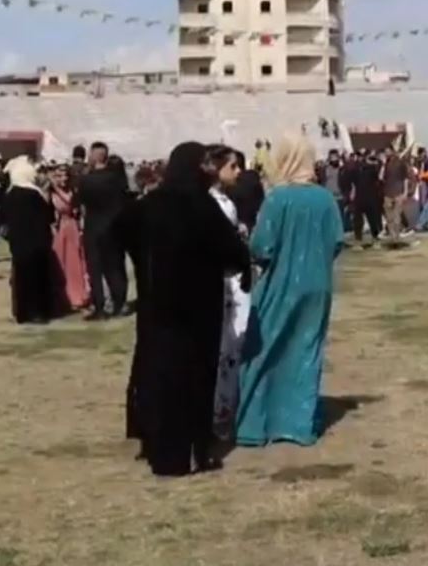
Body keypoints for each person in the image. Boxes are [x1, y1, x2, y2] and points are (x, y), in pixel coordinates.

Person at [120, 142, 249, 477]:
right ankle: (190, 452)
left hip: (156, 306)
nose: (207, 170)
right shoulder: (202, 206)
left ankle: (155, 446)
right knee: (193, 378)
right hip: (197, 309)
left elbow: (117, 235)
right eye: (203, 163)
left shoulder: (148, 205)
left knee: (157, 373)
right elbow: (232, 251)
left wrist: (144, 262)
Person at [236, 136, 345, 448]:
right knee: (306, 350)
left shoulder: (278, 199)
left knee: (263, 350)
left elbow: (262, 246)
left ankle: (256, 423)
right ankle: (298, 423)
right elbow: (337, 241)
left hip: (280, 284)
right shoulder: (325, 199)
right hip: (317, 284)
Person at [208, 146, 252, 440]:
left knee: (232, 348)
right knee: (227, 347)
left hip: (233, 281)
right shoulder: (213, 203)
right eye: (232, 167)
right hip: (225, 282)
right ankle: (219, 413)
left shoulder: (225, 200)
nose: (238, 172)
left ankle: (225, 407)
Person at [1, 157, 57, 325]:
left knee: (21, 278)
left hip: (18, 244)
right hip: (36, 243)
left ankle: (22, 313)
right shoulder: (34, 194)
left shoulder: (10, 194)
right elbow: (47, 217)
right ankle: (38, 312)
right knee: (37, 278)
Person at [79, 142, 131, 319]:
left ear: (94, 156)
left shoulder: (86, 180)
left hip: (93, 227)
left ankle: (99, 305)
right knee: (115, 267)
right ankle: (120, 303)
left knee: (95, 269)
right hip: (113, 227)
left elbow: (80, 203)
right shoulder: (117, 179)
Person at [48, 165, 89, 313]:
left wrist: (55, 187)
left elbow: (70, 202)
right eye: (59, 176)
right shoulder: (50, 193)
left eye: (65, 175)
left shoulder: (73, 191)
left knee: (74, 264)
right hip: (59, 230)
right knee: (60, 263)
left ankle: (77, 295)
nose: (63, 179)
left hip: (72, 227)